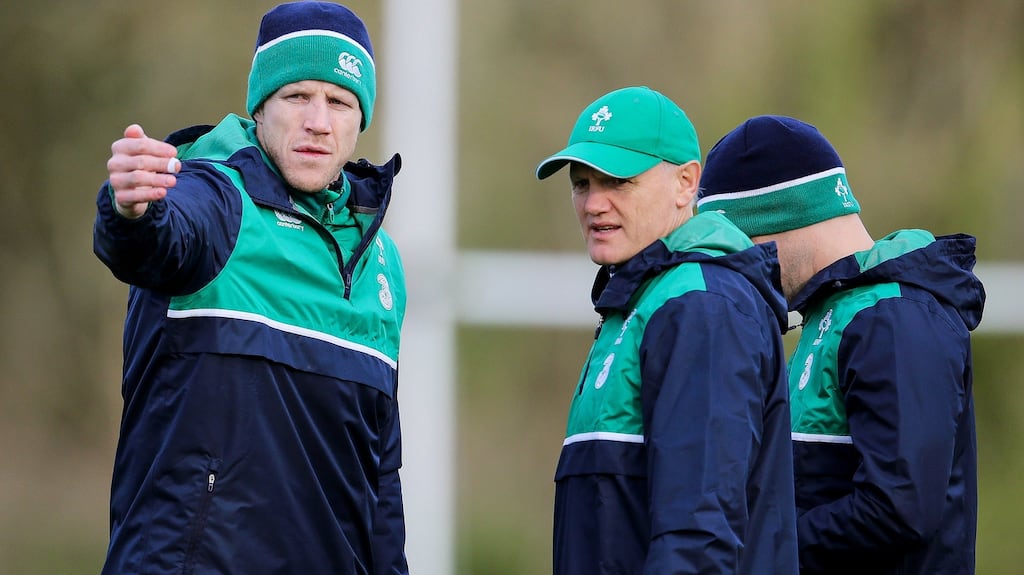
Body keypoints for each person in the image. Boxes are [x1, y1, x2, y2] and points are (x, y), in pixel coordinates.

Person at [92, 2, 409, 573]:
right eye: (296, 97)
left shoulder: (382, 263)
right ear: (260, 107)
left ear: (360, 118)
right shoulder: (214, 198)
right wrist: (130, 209)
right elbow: (156, 238)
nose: (319, 121)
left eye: (338, 101)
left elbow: (380, 474)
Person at [698, 115, 986, 575]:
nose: (738, 276)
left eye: (738, 252)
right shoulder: (829, 318)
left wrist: (760, 546)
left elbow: (898, 509)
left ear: (776, 224)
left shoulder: (893, 316)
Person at [534, 86, 799, 575]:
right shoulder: (641, 304)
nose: (594, 203)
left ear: (685, 183)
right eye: (581, 183)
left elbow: (698, 537)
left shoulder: (702, 305)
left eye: (619, 181)